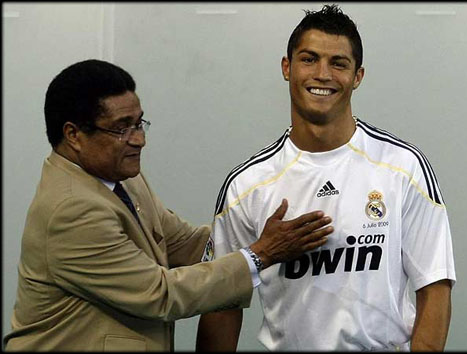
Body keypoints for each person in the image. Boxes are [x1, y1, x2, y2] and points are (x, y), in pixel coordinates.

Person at [3, 59, 334, 351]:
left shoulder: (120, 175)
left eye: (139, 123)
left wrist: (252, 230)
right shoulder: (71, 210)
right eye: (122, 128)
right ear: (73, 135)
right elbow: (160, 293)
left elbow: (180, 242)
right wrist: (262, 253)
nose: (139, 139)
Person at [196, 4, 456, 352]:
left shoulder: (403, 167)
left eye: (338, 63)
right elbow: (221, 303)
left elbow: (435, 286)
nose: (322, 74)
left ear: (358, 76)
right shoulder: (247, 185)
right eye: (309, 59)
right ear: (287, 68)